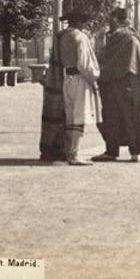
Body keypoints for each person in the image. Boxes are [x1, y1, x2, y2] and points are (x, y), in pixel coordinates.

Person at [92, 7, 140, 163]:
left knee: (119, 117)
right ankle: (128, 152)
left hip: (122, 83)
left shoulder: (124, 38)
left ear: (118, 20)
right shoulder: (129, 38)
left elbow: (107, 60)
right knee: (125, 117)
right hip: (125, 84)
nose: (108, 24)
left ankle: (115, 151)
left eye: (111, 20)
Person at [57, 9, 101, 166]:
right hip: (79, 79)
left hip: (66, 78)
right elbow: (84, 64)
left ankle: (69, 151)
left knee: (70, 117)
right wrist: (94, 77)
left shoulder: (62, 37)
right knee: (79, 118)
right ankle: (74, 154)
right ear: (79, 22)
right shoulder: (80, 37)